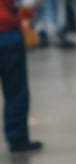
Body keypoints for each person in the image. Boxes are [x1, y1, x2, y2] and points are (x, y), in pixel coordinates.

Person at [1, 0, 43, 153]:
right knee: (16, 91)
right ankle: (17, 138)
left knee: (16, 91)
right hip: (8, 34)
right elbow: (26, 6)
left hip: (9, 34)